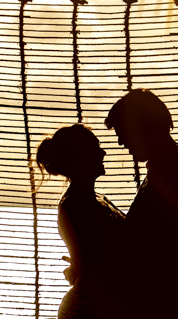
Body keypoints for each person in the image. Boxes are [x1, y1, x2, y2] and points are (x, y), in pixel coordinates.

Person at [106, 89, 178, 319]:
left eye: (123, 133)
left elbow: (159, 252)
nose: (121, 142)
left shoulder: (174, 175)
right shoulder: (166, 171)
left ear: (142, 127)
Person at [35, 123, 134, 319]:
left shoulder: (96, 199)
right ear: (80, 157)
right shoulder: (73, 206)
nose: (103, 153)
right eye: (96, 148)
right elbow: (94, 274)